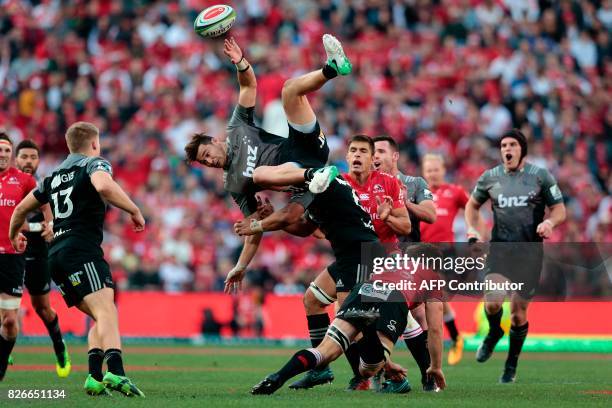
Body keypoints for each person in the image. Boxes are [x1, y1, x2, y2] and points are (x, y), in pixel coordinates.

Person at [184, 34, 352, 301]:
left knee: (289, 90)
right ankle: (314, 177)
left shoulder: (237, 128)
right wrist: (240, 266)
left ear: (216, 140)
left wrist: (240, 63)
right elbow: (253, 229)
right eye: (204, 162)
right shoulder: (234, 184)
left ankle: (333, 68)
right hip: (304, 181)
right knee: (261, 177)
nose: (209, 162)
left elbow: (249, 86)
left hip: (305, 148)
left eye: (207, 154)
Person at [9, 122, 146, 396]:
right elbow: (104, 186)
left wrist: (14, 235)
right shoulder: (94, 164)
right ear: (94, 144)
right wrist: (134, 210)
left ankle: (94, 377)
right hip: (82, 250)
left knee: (99, 313)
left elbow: (21, 208)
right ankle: (116, 372)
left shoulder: (53, 176)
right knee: (108, 310)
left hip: (56, 256)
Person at [231, 176, 381, 390]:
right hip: (348, 257)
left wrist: (257, 225)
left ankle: (375, 373)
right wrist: (273, 217)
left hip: (361, 255)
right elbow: (304, 227)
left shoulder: (321, 181)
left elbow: (288, 216)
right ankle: (321, 370)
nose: (279, 183)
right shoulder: (312, 190)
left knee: (353, 321)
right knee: (312, 300)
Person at [250, 244, 447, 396]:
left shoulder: (389, 262)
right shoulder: (432, 276)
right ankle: (368, 330)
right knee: (369, 368)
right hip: (393, 298)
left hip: (362, 290)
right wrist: (435, 367)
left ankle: (277, 377)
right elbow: (435, 328)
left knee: (323, 352)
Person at [464, 129, 566, 383]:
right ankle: (495, 332)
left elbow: (559, 209)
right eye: (503, 146)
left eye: (511, 145)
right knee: (493, 302)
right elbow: (471, 205)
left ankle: (511, 365)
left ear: (521, 149)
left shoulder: (540, 176)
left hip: (530, 253)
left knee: (519, 314)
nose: (506, 150)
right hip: (500, 250)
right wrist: (473, 230)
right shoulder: (490, 177)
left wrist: (550, 223)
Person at [372, 135, 438, 391]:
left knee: (419, 317)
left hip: (410, 257)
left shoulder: (414, 182)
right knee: (378, 318)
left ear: (395, 156)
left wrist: (403, 200)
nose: (375, 157)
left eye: (380, 151)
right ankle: (386, 373)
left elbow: (431, 215)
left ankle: (429, 373)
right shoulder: (370, 185)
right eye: (373, 152)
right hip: (378, 258)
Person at [14, 139, 71, 377]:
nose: (28, 161)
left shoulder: (44, 187)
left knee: (42, 308)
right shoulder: (6, 184)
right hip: (9, 252)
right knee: (6, 309)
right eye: (24, 157)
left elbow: (51, 222)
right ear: (16, 159)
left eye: (33, 157)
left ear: (38, 161)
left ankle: (60, 347)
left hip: (36, 254)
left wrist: (46, 227)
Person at [420, 153, 470, 365]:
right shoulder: (419, 193)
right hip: (419, 253)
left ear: (443, 170)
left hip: (444, 253)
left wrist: (473, 234)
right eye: (428, 170)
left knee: (437, 299)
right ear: (424, 173)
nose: (432, 173)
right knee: (432, 301)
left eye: (435, 169)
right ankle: (456, 337)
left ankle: (440, 340)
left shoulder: (454, 191)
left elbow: (472, 208)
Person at [0, 132, 37, 381]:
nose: (2, 155)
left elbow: (43, 202)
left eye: (6, 151)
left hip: (12, 257)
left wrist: (48, 223)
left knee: (11, 322)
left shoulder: (23, 180)